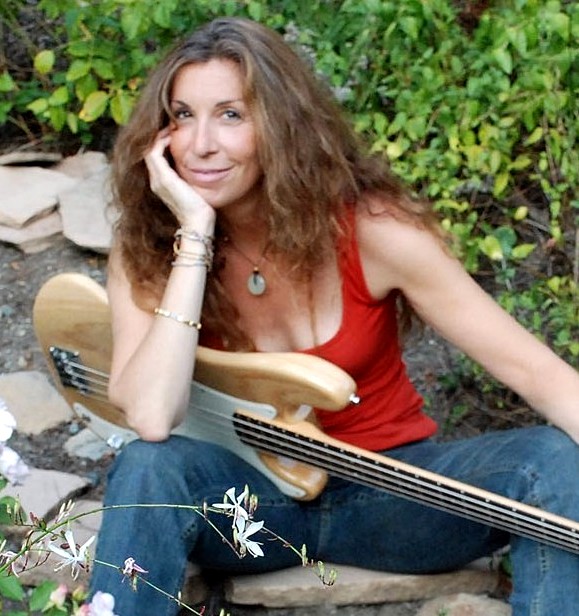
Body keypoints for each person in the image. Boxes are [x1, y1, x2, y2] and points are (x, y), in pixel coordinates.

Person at [89, 16, 579, 616]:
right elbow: (150, 415)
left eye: (232, 115)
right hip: (249, 510)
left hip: (394, 496)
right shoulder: (147, 245)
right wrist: (194, 234)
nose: (201, 144)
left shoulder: (374, 230)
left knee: (551, 462)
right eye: (183, 115)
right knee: (148, 466)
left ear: (283, 124)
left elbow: (542, 378)